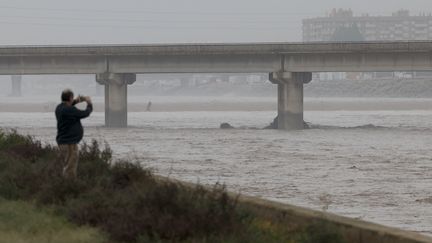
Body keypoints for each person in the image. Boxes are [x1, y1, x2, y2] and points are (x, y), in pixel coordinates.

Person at [55, 89, 93, 179]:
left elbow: (68, 105)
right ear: (70, 98)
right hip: (70, 144)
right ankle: (70, 187)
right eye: (72, 98)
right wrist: (89, 104)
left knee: (66, 165)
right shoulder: (70, 110)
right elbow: (85, 113)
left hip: (62, 142)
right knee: (70, 168)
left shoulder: (59, 108)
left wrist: (78, 100)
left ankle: (61, 185)